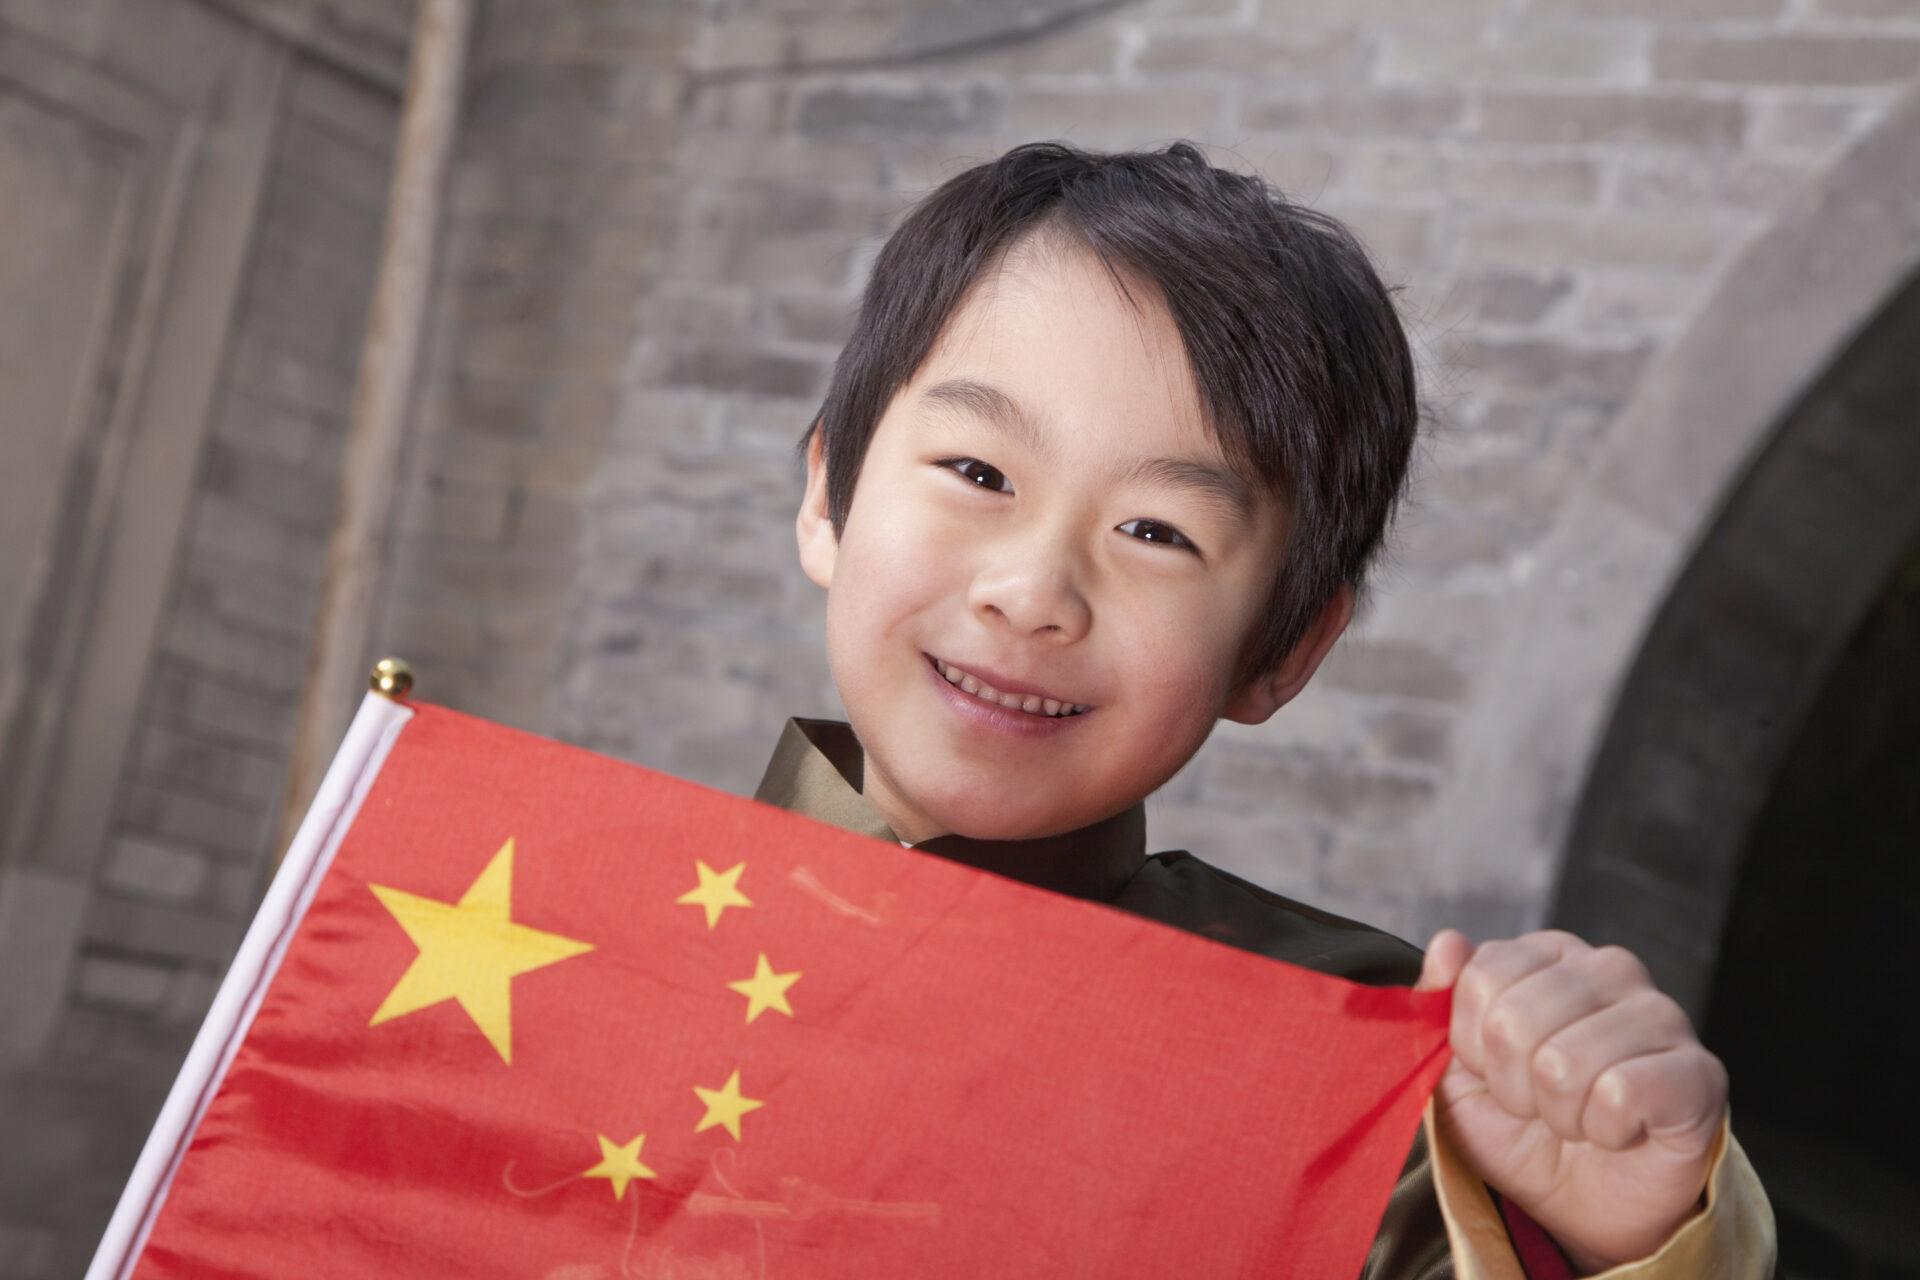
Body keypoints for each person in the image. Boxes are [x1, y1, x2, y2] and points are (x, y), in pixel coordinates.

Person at [750, 139, 1774, 1277]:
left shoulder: (1378, 1098)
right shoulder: (558, 920)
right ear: (825, 495)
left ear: (1282, 649)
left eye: (1157, 532)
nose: (1034, 594)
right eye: (979, 473)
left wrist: (1616, 1242)